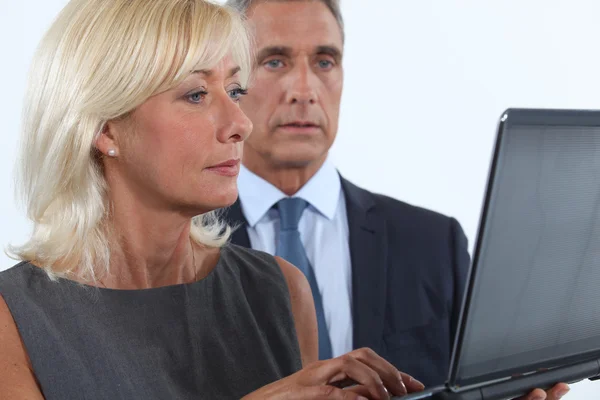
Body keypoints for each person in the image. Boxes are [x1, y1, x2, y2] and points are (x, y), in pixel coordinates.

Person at [0, 0, 425, 398]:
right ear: (106, 129)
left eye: (236, 91)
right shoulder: (13, 319)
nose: (240, 122)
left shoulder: (281, 290)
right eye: (196, 94)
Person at [222, 0, 570, 399]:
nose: (305, 90)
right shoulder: (178, 251)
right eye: (275, 62)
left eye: (324, 62)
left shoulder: (433, 244)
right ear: (232, 81)